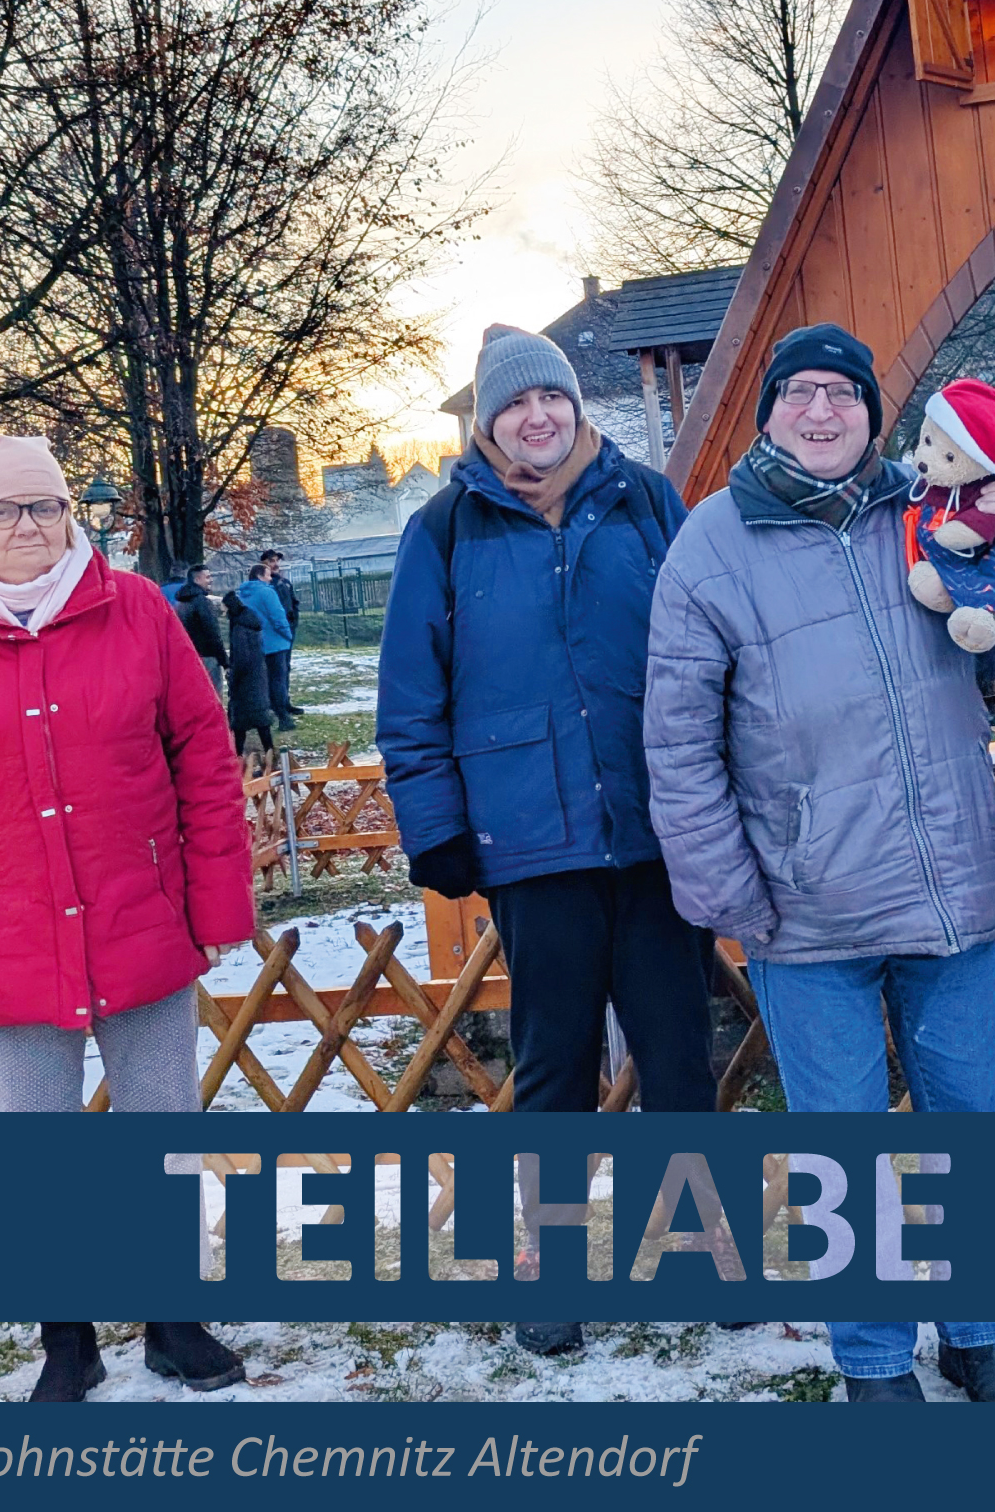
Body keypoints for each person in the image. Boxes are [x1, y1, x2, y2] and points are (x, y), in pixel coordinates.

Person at [643, 324, 995, 1402]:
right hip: (806, 905)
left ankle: (978, 1333)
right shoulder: (712, 544)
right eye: (800, 393)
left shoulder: (927, 511)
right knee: (844, 1148)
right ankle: (875, 1359)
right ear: (769, 412)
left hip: (946, 884)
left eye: (843, 393)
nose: (822, 411)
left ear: (875, 414)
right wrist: (727, 890)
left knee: (966, 1128)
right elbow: (677, 741)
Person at [378, 323, 718, 1360]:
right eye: (517, 404)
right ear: (489, 422)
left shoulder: (645, 502)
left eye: (553, 399)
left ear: (577, 405)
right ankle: (552, 1269)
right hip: (531, 842)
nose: (538, 417)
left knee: (678, 1058)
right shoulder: (445, 529)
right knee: (553, 1067)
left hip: (655, 829)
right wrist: (436, 827)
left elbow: (710, 646)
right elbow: (410, 696)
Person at [0, 434, 254, 1401]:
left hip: (138, 919)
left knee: (159, 1131)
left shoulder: (136, 610)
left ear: (69, 516)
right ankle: (68, 1339)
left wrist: (217, 899)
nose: (28, 526)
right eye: (3, 510)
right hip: (4, 941)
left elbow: (203, 757)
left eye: (45, 507)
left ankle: (174, 1321)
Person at [238, 562, 296, 731]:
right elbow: (278, 616)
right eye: (268, 575)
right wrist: (288, 635)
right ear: (260, 576)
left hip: (255, 643)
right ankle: (284, 717)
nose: (271, 578)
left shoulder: (242, 594)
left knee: (263, 681)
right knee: (278, 681)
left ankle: (265, 715)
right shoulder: (267, 592)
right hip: (275, 643)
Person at [224, 590, 276, 759]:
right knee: (262, 722)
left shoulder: (239, 629)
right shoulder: (251, 624)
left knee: (240, 724)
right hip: (258, 677)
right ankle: (270, 753)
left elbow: (241, 659)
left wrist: (233, 678)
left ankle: (238, 758)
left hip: (244, 684)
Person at [173, 563, 229, 696]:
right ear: (197, 579)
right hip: (208, 657)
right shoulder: (202, 603)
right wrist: (225, 662)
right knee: (213, 695)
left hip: (189, 657)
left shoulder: (180, 605)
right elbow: (213, 633)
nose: (211, 580)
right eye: (207, 577)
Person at [259, 549, 305, 713]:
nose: (275, 564)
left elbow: (293, 604)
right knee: (274, 670)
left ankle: (284, 701)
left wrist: (292, 624)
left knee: (285, 667)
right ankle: (274, 704)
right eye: (271, 561)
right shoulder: (265, 586)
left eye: (276, 561)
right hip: (273, 633)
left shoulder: (283, 582)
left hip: (287, 631)